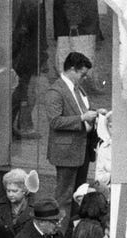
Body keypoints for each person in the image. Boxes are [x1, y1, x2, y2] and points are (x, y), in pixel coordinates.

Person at [43, 53, 99, 226]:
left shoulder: (77, 88)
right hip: (66, 152)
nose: (83, 78)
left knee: (78, 194)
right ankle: (58, 233)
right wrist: (82, 118)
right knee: (65, 196)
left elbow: (83, 109)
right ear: (72, 69)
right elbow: (55, 121)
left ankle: (71, 232)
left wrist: (96, 113)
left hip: (81, 149)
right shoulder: (55, 91)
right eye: (82, 74)